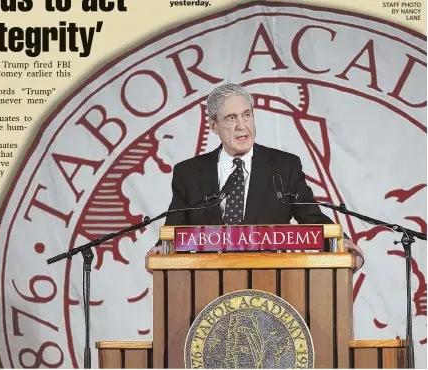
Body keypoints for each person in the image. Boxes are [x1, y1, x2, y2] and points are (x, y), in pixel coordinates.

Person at [146, 83, 364, 271]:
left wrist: (340, 242)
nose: (242, 126)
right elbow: (174, 229)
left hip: (272, 282)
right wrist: (160, 248)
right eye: (231, 118)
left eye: (246, 115)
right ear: (213, 126)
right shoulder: (190, 173)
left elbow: (311, 218)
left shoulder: (284, 166)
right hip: (207, 283)